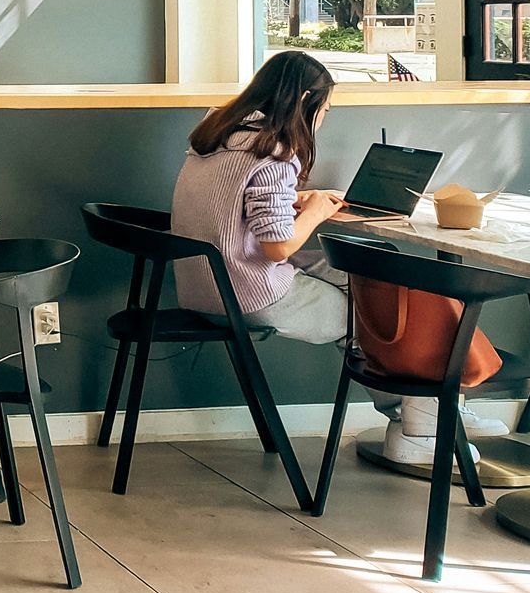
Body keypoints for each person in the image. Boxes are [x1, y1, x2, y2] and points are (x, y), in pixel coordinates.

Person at [169, 51, 506, 464]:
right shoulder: (273, 150)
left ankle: (435, 412)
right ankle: (419, 427)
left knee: (370, 278)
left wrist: (294, 200)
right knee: (373, 311)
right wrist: (315, 211)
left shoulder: (217, 133)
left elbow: (229, 205)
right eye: (325, 109)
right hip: (249, 294)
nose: (323, 118)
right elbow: (277, 247)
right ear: (307, 99)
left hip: (204, 285)